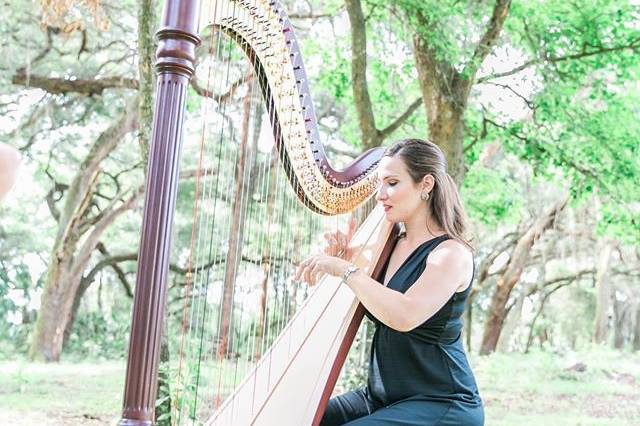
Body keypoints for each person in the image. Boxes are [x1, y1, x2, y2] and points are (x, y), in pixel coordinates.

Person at [295, 138, 484, 425]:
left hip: (442, 402)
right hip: (381, 397)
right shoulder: (385, 246)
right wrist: (336, 258)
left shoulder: (450, 254)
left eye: (392, 183)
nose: (380, 195)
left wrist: (344, 269)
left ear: (426, 185)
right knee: (297, 417)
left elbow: (405, 314)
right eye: (379, 184)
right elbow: (346, 299)